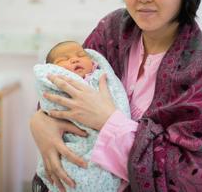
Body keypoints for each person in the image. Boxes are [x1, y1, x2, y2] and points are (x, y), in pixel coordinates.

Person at [30, 0, 202, 192]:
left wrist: (107, 120)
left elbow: (199, 179)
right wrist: (40, 121)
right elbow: (61, 84)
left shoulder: (200, 72)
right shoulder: (111, 32)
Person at [34, 41, 131, 191]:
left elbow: (116, 101)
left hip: (107, 142)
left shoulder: (101, 78)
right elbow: (49, 105)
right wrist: (39, 120)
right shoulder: (58, 84)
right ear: (52, 69)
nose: (74, 59)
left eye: (81, 55)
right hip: (73, 143)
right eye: (63, 60)